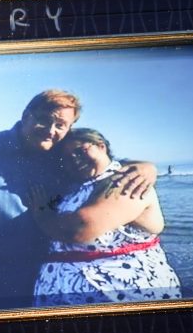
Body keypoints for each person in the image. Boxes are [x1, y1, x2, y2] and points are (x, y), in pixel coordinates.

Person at [0, 91, 156, 313]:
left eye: (60, 125)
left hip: (41, 290)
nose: (50, 129)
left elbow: (102, 170)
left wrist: (146, 168)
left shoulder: (63, 159)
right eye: (43, 119)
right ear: (26, 116)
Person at [29, 128, 182, 306]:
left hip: (121, 295)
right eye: (68, 159)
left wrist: (41, 214)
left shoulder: (126, 179)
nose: (75, 160)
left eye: (80, 151)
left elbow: (80, 229)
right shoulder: (82, 184)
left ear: (101, 146)